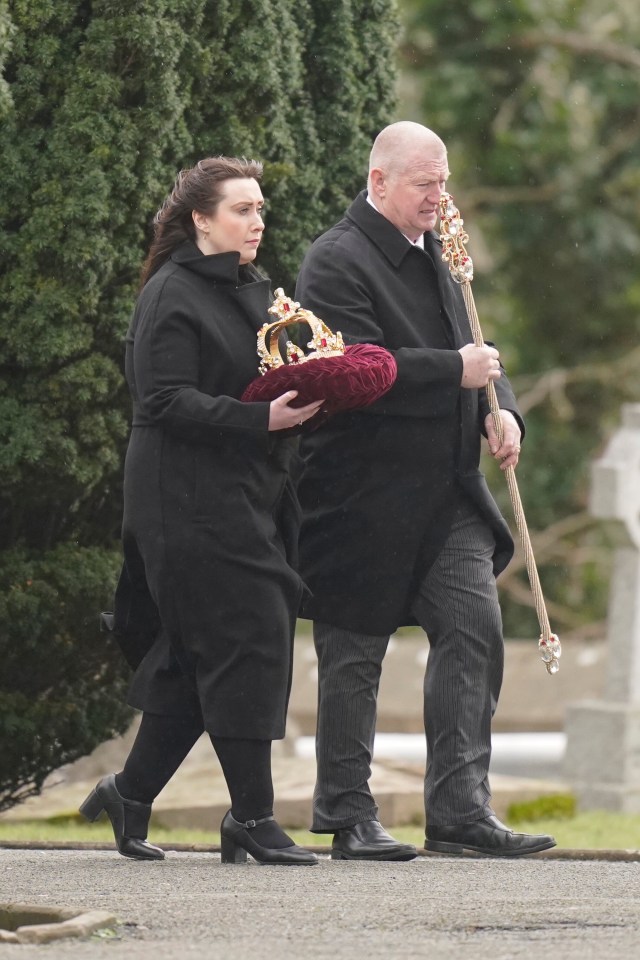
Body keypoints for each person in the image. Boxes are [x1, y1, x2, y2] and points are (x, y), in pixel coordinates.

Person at [295, 121, 556, 859]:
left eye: (444, 183)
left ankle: (459, 812)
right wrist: (460, 376)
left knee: (474, 630)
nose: (440, 198)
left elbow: (477, 343)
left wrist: (500, 408)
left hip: (447, 494)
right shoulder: (334, 261)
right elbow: (357, 370)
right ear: (379, 183)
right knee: (354, 654)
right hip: (358, 495)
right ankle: (348, 816)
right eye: (424, 185)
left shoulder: (439, 250)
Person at [80, 156, 322, 865]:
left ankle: (130, 792)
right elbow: (161, 401)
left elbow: (267, 377)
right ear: (201, 220)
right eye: (242, 209)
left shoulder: (257, 289)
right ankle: (252, 817)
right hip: (180, 499)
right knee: (251, 627)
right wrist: (262, 423)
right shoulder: (171, 294)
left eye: (260, 208)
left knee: (198, 656)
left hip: (244, 491)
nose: (257, 221)